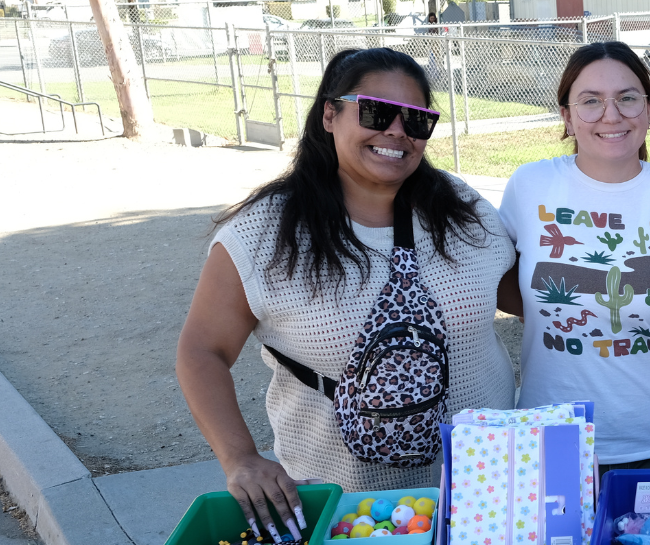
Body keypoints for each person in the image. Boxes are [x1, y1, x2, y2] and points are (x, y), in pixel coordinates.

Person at [176, 48, 517, 537]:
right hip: (348, 510)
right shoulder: (263, 235)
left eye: (418, 120)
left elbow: (522, 295)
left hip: (485, 489)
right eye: (377, 112)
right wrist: (241, 459)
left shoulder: (463, 210)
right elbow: (200, 351)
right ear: (329, 115)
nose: (398, 131)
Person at [498, 41, 650, 473]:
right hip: (553, 436)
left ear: (649, 108)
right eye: (590, 101)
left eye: (627, 98)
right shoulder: (530, 185)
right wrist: (565, 308)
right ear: (566, 115)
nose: (611, 115)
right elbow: (501, 282)